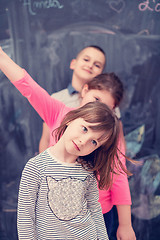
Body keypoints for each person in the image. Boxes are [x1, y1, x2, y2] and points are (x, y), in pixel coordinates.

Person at [0, 47, 136, 240]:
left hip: (98, 212)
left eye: (106, 107)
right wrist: (3, 58)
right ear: (85, 91)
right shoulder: (58, 111)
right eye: (96, 100)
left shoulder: (109, 132)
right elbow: (28, 86)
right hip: (53, 213)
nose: (99, 109)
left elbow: (118, 171)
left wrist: (125, 224)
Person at [17, 101, 122, 239]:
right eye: (85, 129)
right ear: (71, 119)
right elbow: (25, 218)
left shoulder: (88, 172)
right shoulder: (35, 167)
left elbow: (95, 211)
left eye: (94, 142)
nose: (84, 141)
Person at [39, 45, 106, 153]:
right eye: (86, 59)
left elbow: (119, 143)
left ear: (101, 74)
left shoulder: (106, 103)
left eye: (97, 65)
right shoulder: (56, 98)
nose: (90, 65)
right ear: (73, 63)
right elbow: (46, 139)